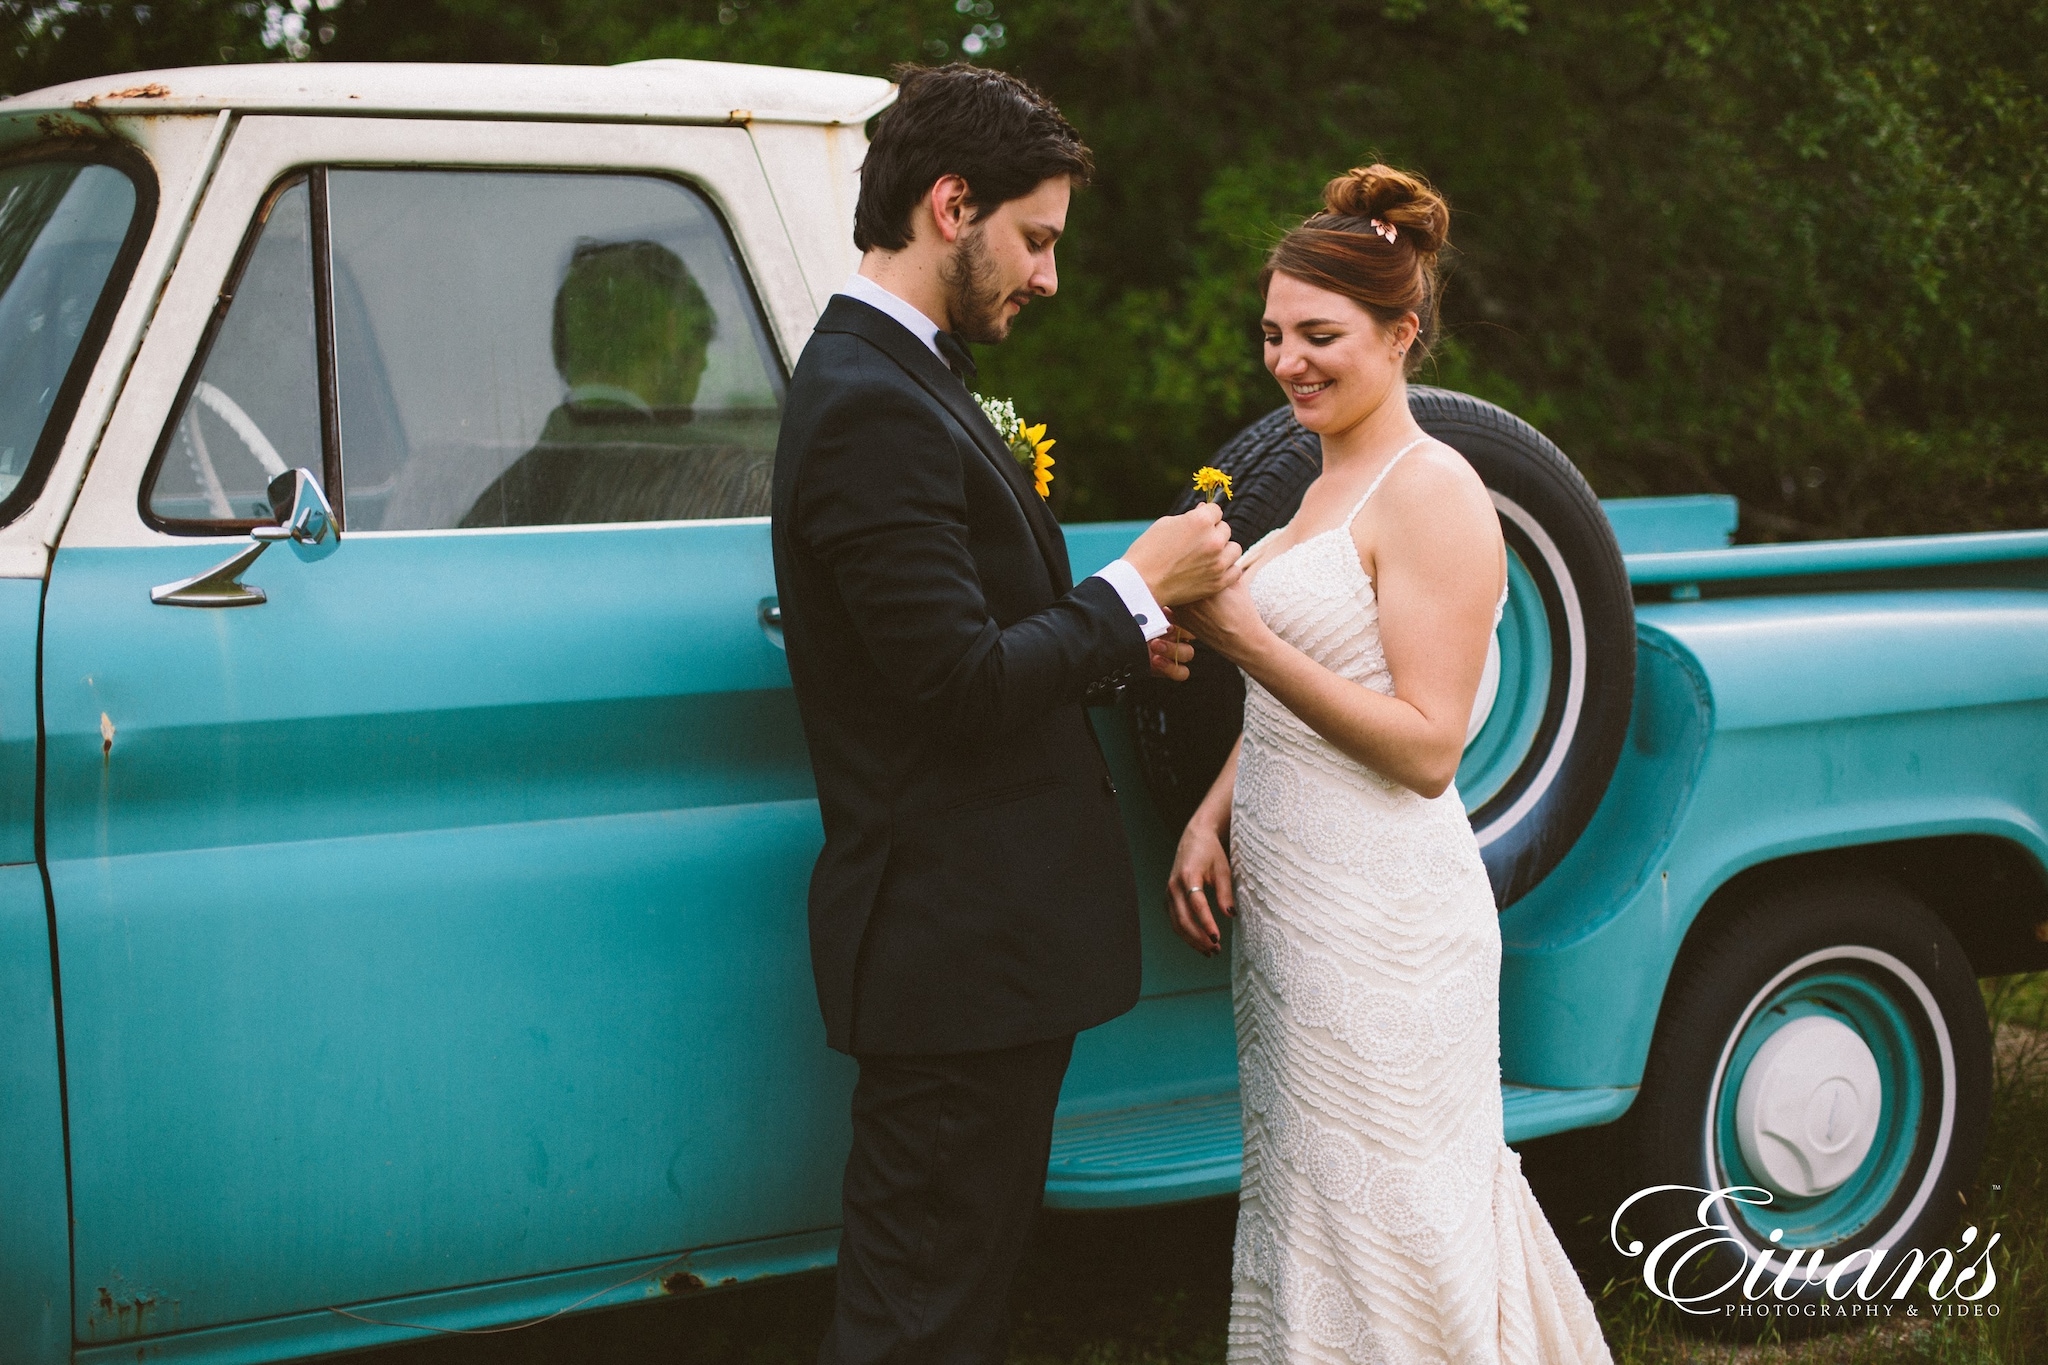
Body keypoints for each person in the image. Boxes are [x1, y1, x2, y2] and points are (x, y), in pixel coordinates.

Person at [770, 64, 1239, 1365]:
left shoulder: (910, 376)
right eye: (1035, 240)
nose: (1046, 276)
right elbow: (956, 686)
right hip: (950, 957)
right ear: (950, 204)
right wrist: (1137, 588)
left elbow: (956, 645)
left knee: (953, 1306)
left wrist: (1120, 652)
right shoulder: (870, 402)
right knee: (916, 1320)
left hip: (981, 959)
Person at [1166, 165, 1613, 1364]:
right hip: (1294, 916)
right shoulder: (1314, 495)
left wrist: (1239, 632)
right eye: (1271, 334)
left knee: (1396, 1213)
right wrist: (1212, 812)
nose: (1286, 362)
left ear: (1401, 333)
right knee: (1310, 1201)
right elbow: (1300, 693)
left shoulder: (1436, 492)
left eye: (1319, 335)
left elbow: (1424, 747)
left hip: (1386, 924)